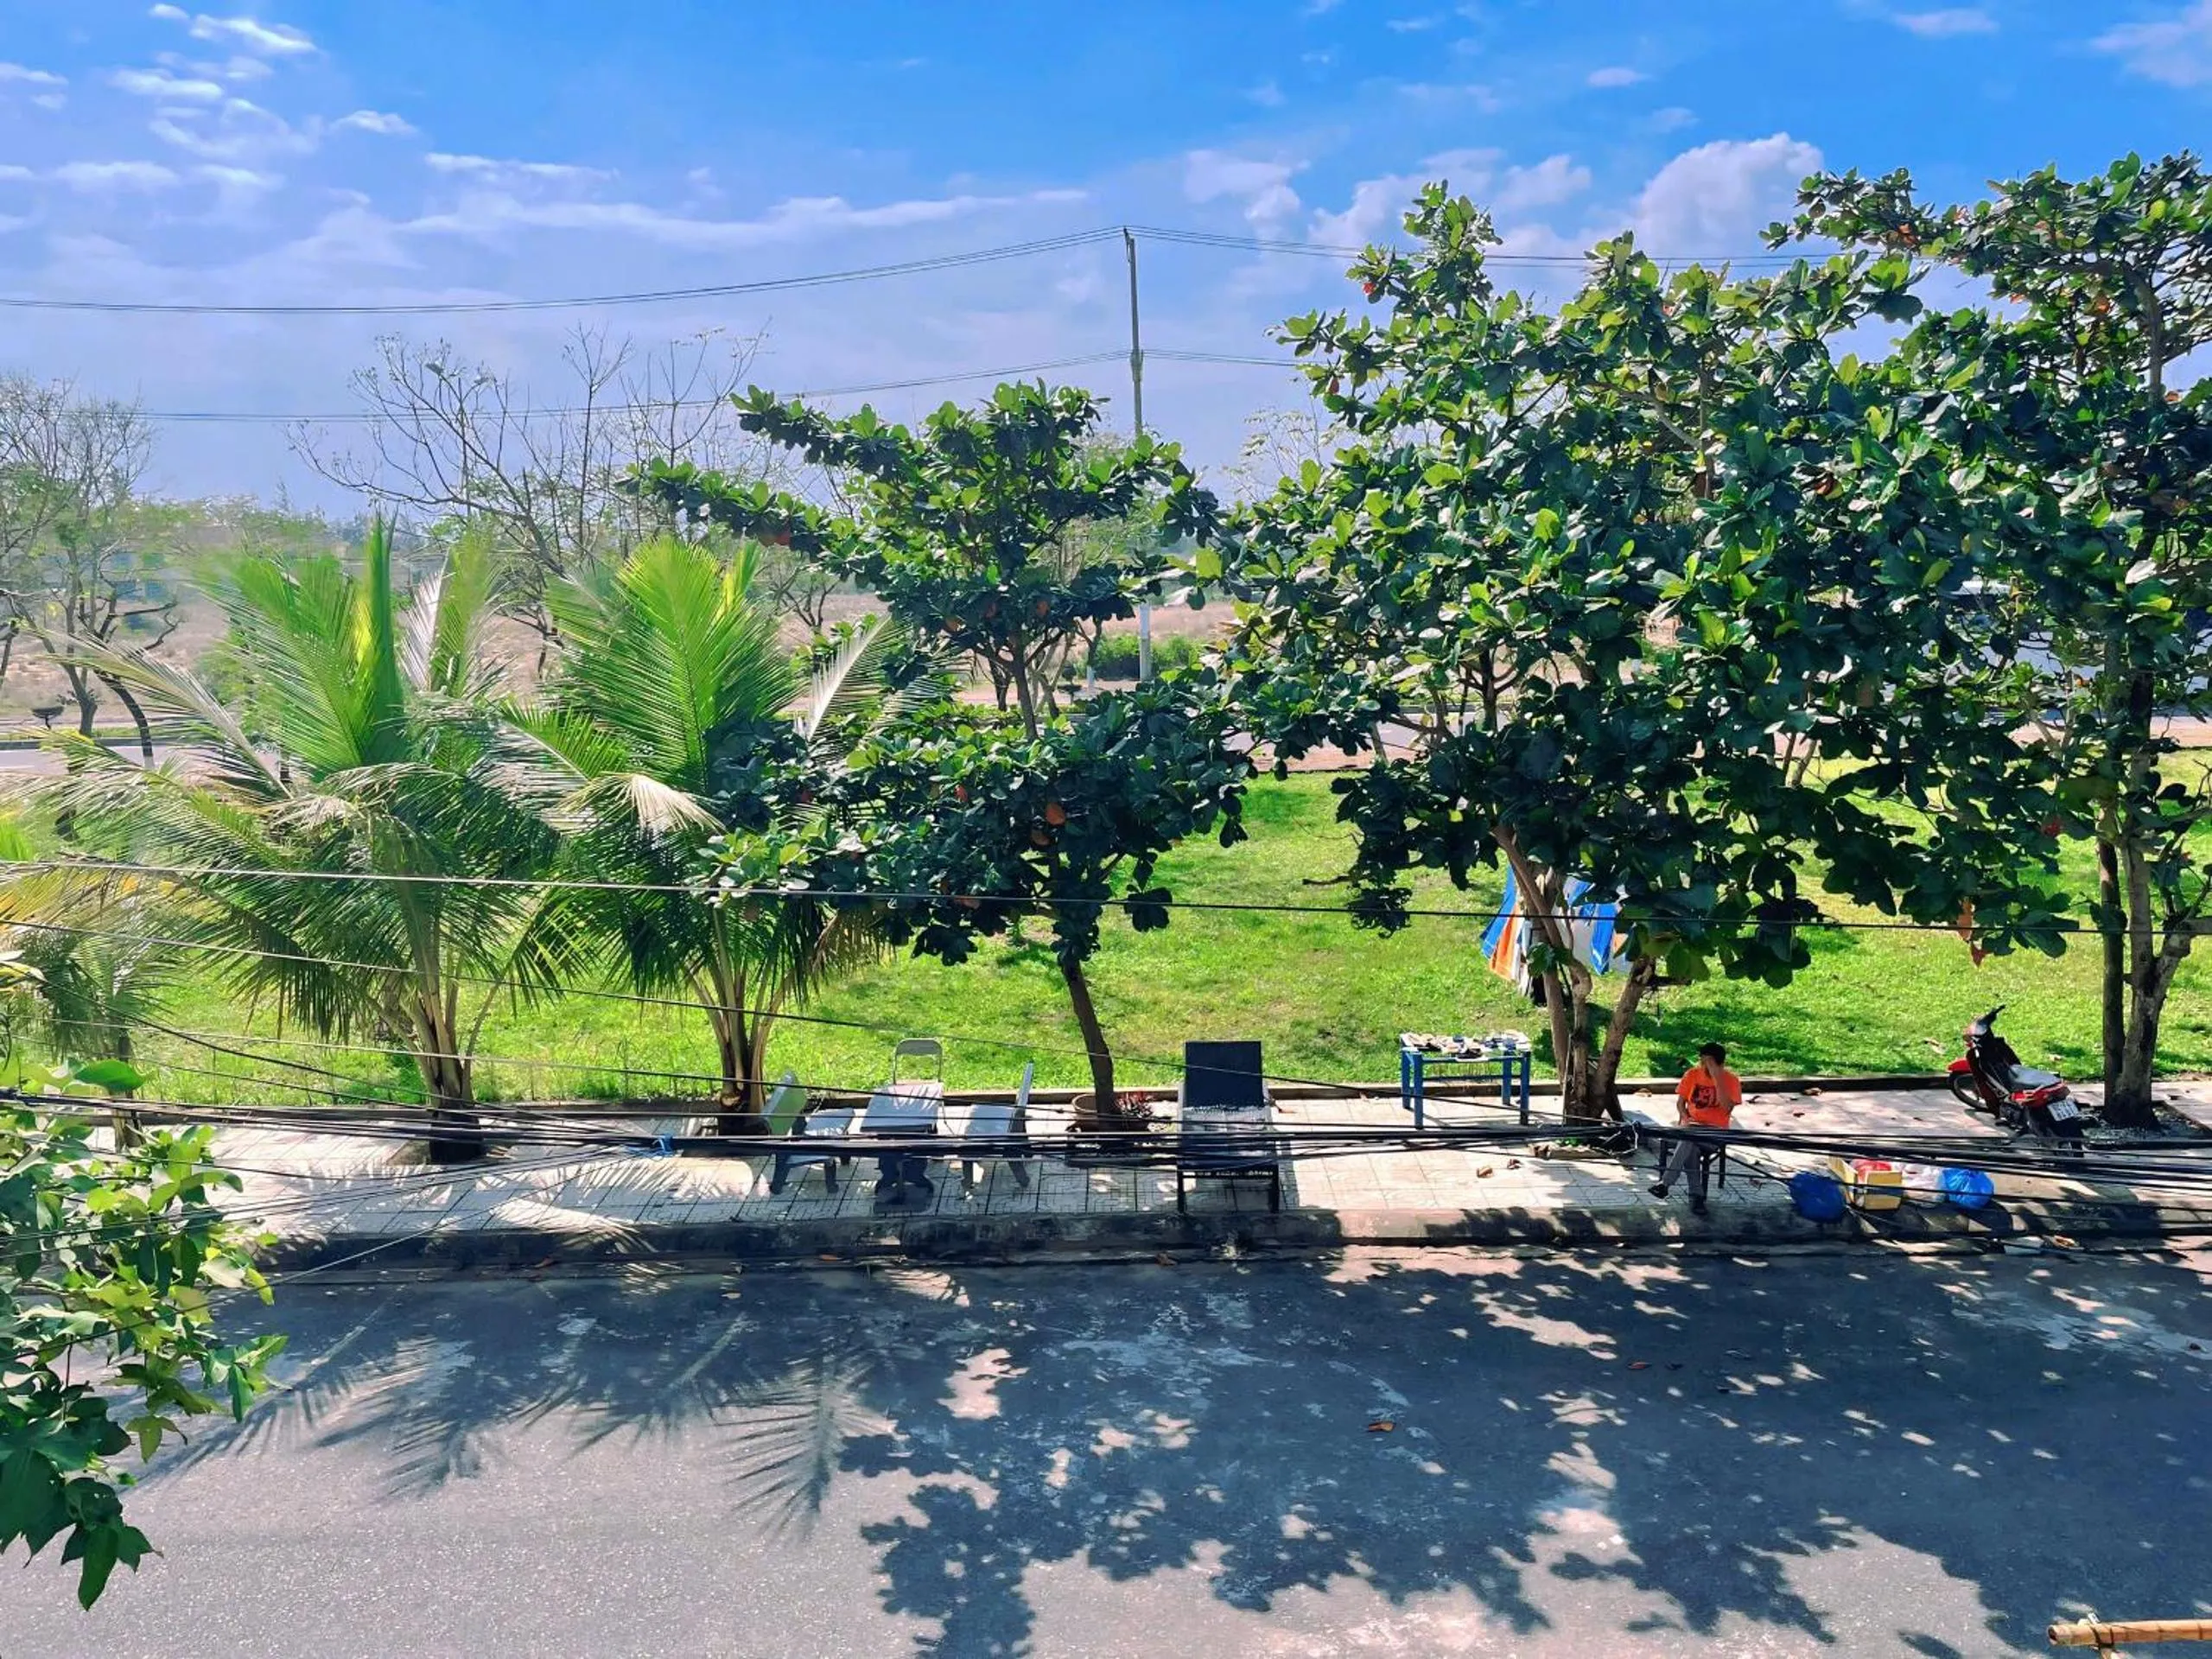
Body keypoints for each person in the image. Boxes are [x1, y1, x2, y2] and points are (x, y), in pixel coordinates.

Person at [1649, 1041, 1740, 1216]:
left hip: (1714, 1133)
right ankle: (1696, 1197)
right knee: (1690, 1144)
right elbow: (1680, 1103)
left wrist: (1717, 1079)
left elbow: (1727, 1108)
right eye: (1703, 1061)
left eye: (1709, 1063)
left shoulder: (1731, 1080)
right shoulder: (1692, 1074)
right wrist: (1685, 1118)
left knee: (1688, 1141)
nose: (1704, 1066)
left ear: (1720, 1063)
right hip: (1690, 1128)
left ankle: (1666, 1183)